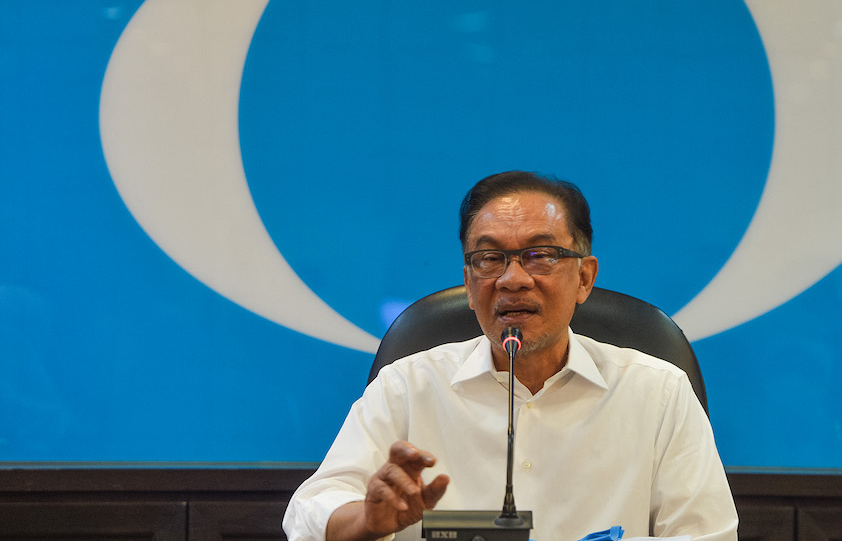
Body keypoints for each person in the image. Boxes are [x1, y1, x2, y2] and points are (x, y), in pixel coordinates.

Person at [283, 171, 738, 541]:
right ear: (468, 282)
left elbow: (707, 535)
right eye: (489, 258)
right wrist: (365, 521)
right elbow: (309, 512)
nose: (512, 279)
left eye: (540, 255)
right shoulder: (407, 387)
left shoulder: (659, 393)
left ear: (584, 278)